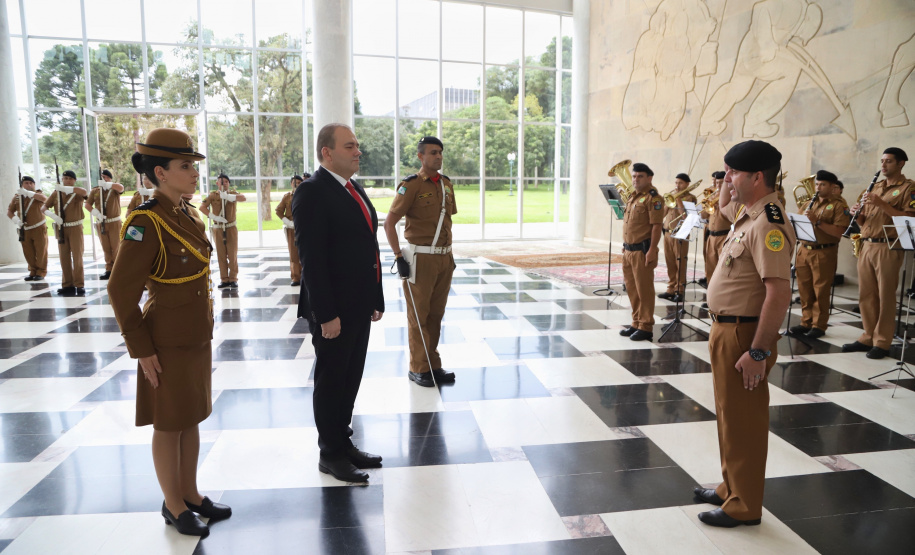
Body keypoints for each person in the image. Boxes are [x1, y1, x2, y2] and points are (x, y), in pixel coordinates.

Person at [108, 128, 230, 538]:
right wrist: (141, 349)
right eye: (185, 166)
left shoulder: (187, 213)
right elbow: (120, 289)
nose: (194, 173)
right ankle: (173, 504)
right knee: (168, 423)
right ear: (160, 172)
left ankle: (191, 493)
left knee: (191, 416)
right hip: (164, 341)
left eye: (194, 166)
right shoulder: (146, 221)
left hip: (195, 335)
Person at [694, 140, 794, 528]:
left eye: (734, 173)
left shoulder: (769, 220)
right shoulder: (747, 213)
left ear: (757, 176)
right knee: (728, 416)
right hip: (726, 329)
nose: (727, 180)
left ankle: (745, 505)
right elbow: (722, 206)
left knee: (745, 423)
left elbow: (779, 291)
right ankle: (730, 487)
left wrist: (758, 352)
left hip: (745, 336)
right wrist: (727, 170)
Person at [292, 123, 385, 484]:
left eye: (357, 145)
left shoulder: (353, 188)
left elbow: (368, 248)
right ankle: (329, 452)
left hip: (359, 305)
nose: (357, 151)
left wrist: (375, 297)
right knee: (331, 380)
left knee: (350, 376)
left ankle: (342, 440)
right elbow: (311, 259)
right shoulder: (312, 192)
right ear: (326, 153)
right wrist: (326, 314)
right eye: (350, 146)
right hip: (333, 309)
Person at [384, 136, 458, 387]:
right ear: (420, 156)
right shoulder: (411, 185)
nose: (438, 156)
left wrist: (448, 256)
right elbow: (389, 223)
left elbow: (446, 220)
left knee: (436, 314)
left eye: (440, 152)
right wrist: (397, 256)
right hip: (420, 258)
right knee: (419, 315)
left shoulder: (446, 184)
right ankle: (418, 367)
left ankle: (432, 364)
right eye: (433, 153)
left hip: (444, 258)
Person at [842, 147, 915, 359]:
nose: (883, 165)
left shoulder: (908, 188)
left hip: (888, 245)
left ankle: (882, 341)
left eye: (889, 161)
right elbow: (866, 221)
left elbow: (909, 218)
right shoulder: (877, 186)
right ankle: (867, 335)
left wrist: (881, 203)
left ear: (901, 163)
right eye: (882, 161)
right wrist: (857, 214)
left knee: (885, 295)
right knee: (866, 294)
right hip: (867, 244)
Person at [787, 170, 850, 338]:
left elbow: (839, 232)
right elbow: (796, 224)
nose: (818, 187)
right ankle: (805, 321)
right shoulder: (808, 203)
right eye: (817, 184)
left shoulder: (839, 205)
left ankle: (819, 325)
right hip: (804, 250)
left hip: (824, 251)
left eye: (822, 185)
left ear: (832, 187)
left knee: (821, 290)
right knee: (804, 289)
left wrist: (817, 222)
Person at [619, 162, 664, 342]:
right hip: (629, 250)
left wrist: (652, 250)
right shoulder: (633, 197)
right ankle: (636, 322)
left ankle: (646, 326)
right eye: (634, 176)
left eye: (640, 176)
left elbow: (656, 226)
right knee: (632, 289)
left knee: (644, 290)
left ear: (649, 178)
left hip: (642, 251)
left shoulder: (654, 199)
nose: (636, 179)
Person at [42, 170, 87, 295]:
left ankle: (79, 284)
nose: (67, 180)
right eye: (65, 178)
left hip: (75, 227)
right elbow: (44, 207)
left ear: (74, 180)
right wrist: (53, 216)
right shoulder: (56, 193)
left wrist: (69, 189)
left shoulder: (77, 192)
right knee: (64, 257)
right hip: (61, 228)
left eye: (69, 178)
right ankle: (67, 284)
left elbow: (84, 193)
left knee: (77, 257)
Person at [200, 173, 246, 289]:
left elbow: (243, 198)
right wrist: (213, 217)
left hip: (230, 227)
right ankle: (224, 279)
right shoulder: (213, 195)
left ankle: (233, 279)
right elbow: (202, 207)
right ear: (217, 183)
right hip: (218, 228)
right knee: (221, 254)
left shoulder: (232, 194)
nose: (223, 184)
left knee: (232, 254)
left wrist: (230, 197)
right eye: (221, 182)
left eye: (226, 182)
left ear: (228, 183)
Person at [659, 173, 697, 302]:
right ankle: (670, 288)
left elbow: (686, 217)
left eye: (680, 183)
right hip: (668, 232)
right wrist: (667, 202)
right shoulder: (671, 198)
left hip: (681, 233)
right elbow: (663, 214)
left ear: (687, 184)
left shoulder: (690, 198)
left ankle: (679, 290)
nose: (677, 185)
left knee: (680, 262)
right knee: (669, 261)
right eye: (676, 183)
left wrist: (678, 200)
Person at [85, 169, 125, 280]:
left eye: (106, 177)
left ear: (110, 178)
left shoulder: (114, 189)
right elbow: (87, 204)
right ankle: (109, 269)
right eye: (102, 177)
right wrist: (96, 213)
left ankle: (118, 269)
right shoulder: (96, 191)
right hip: (101, 222)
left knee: (116, 246)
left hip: (114, 222)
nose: (104, 179)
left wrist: (108, 184)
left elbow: (121, 188)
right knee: (106, 247)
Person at [7, 175, 48, 281]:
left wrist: (28, 193)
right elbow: (10, 211)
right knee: (28, 251)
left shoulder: (38, 194)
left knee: (41, 251)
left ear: (34, 185)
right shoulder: (17, 197)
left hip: (38, 227)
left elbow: (44, 199)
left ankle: (41, 272)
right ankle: (33, 271)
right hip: (25, 229)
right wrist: (16, 221)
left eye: (31, 183)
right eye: (26, 183)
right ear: (22, 185)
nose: (29, 185)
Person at [699, 171, 730, 306]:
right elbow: (703, 216)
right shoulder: (712, 197)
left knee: (722, 270)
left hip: (724, 235)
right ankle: (711, 298)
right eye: (717, 183)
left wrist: (721, 204)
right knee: (710, 269)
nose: (718, 186)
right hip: (711, 236)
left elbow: (732, 217)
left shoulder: (731, 199)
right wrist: (708, 204)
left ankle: (722, 299)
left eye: (721, 183)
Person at [275, 174, 306, 285]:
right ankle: (295, 278)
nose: (296, 185)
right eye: (294, 183)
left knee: (304, 252)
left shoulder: (306, 196)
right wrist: (287, 222)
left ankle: (304, 276)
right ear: (291, 184)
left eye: (299, 183)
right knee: (293, 254)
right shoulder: (287, 197)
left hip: (303, 228)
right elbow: (278, 211)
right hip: (291, 229)